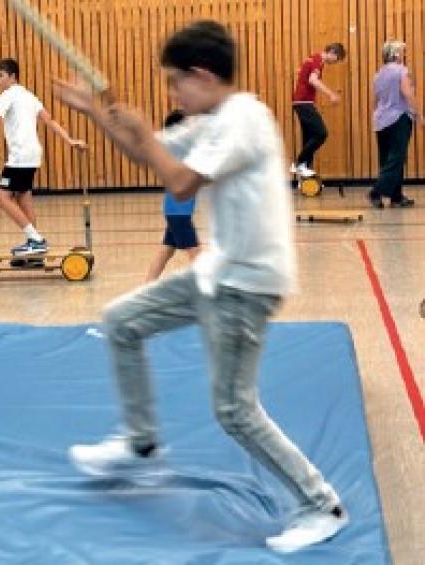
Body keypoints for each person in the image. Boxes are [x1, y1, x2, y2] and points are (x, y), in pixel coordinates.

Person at [54, 20, 348, 554]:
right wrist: (96, 113)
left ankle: (320, 504)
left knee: (234, 410)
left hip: (248, 285)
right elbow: (149, 154)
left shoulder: (245, 119)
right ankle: (141, 446)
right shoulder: (209, 119)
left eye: (175, 83)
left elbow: (182, 180)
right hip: (217, 273)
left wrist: (144, 131)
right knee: (122, 321)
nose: (171, 95)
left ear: (204, 75)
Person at [0, 58, 86, 256]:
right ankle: (34, 249)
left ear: (13, 76)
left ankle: (36, 241)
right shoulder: (29, 96)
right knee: (23, 197)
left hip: (20, 156)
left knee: (2, 197)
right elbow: (50, 120)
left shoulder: (9, 95)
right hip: (32, 154)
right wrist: (70, 140)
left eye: (1, 75)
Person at [368, 40, 423, 208]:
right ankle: (376, 191)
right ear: (396, 54)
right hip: (399, 117)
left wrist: (374, 116)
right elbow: (407, 93)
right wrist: (419, 114)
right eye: (402, 52)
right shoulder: (402, 71)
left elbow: (375, 99)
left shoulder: (378, 74)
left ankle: (396, 196)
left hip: (382, 119)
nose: (404, 55)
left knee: (387, 159)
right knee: (397, 157)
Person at [146, 109, 199, 283]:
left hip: (174, 211)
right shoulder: (183, 150)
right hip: (180, 213)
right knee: (196, 254)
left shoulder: (173, 149)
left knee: (166, 251)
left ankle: (147, 286)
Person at [291, 43, 346, 178]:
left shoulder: (313, 59)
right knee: (321, 133)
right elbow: (313, 80)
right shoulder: (317, 60)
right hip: (304, 103)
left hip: (300, 102)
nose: (336, 62)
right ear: (332, 52)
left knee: (309, 136)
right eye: (337, 59)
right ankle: (299, 164)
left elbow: (301, 72)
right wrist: (331, 94)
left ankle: (303, 171)